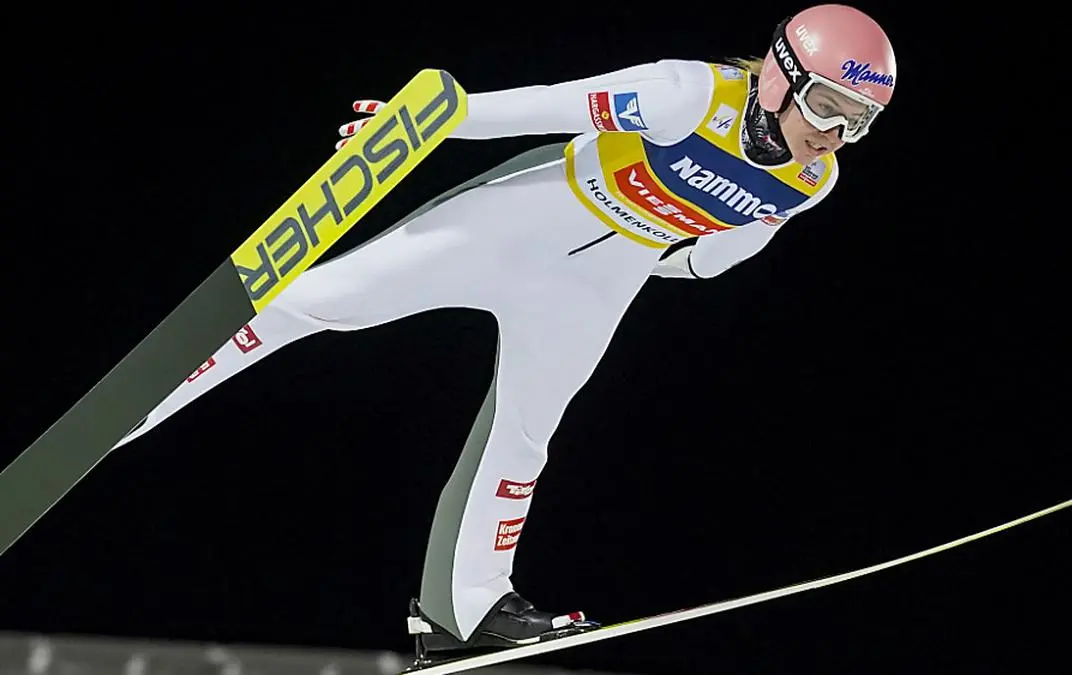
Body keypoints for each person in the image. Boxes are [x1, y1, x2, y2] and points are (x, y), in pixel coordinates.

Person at [113, 3, 896, 669]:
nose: (836, 133)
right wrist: (427, 123)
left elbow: (733, 245)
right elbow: (549, 105)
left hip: (595, 284)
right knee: (322, 301)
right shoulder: (687, 94)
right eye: (828, 105)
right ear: (778, 77)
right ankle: (132, 407)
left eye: (858, 121)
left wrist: (675, 263)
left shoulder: (812, 180)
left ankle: (464, 612)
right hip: (518, 223)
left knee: (524, 434)